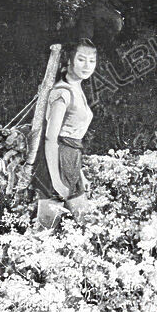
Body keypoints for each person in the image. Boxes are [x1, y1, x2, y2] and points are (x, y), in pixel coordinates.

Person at [31, 38, 97, 230]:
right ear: (69, 61)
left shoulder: (77, 88)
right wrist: (56, 180)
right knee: (44, 229)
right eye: (81, 59)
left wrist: (79, 174)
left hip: (70, 161)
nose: (87, 65)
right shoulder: (62, 93)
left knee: (88, 224)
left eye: (92, 60)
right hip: (56, 162)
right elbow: (51, 138)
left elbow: (73, 142)